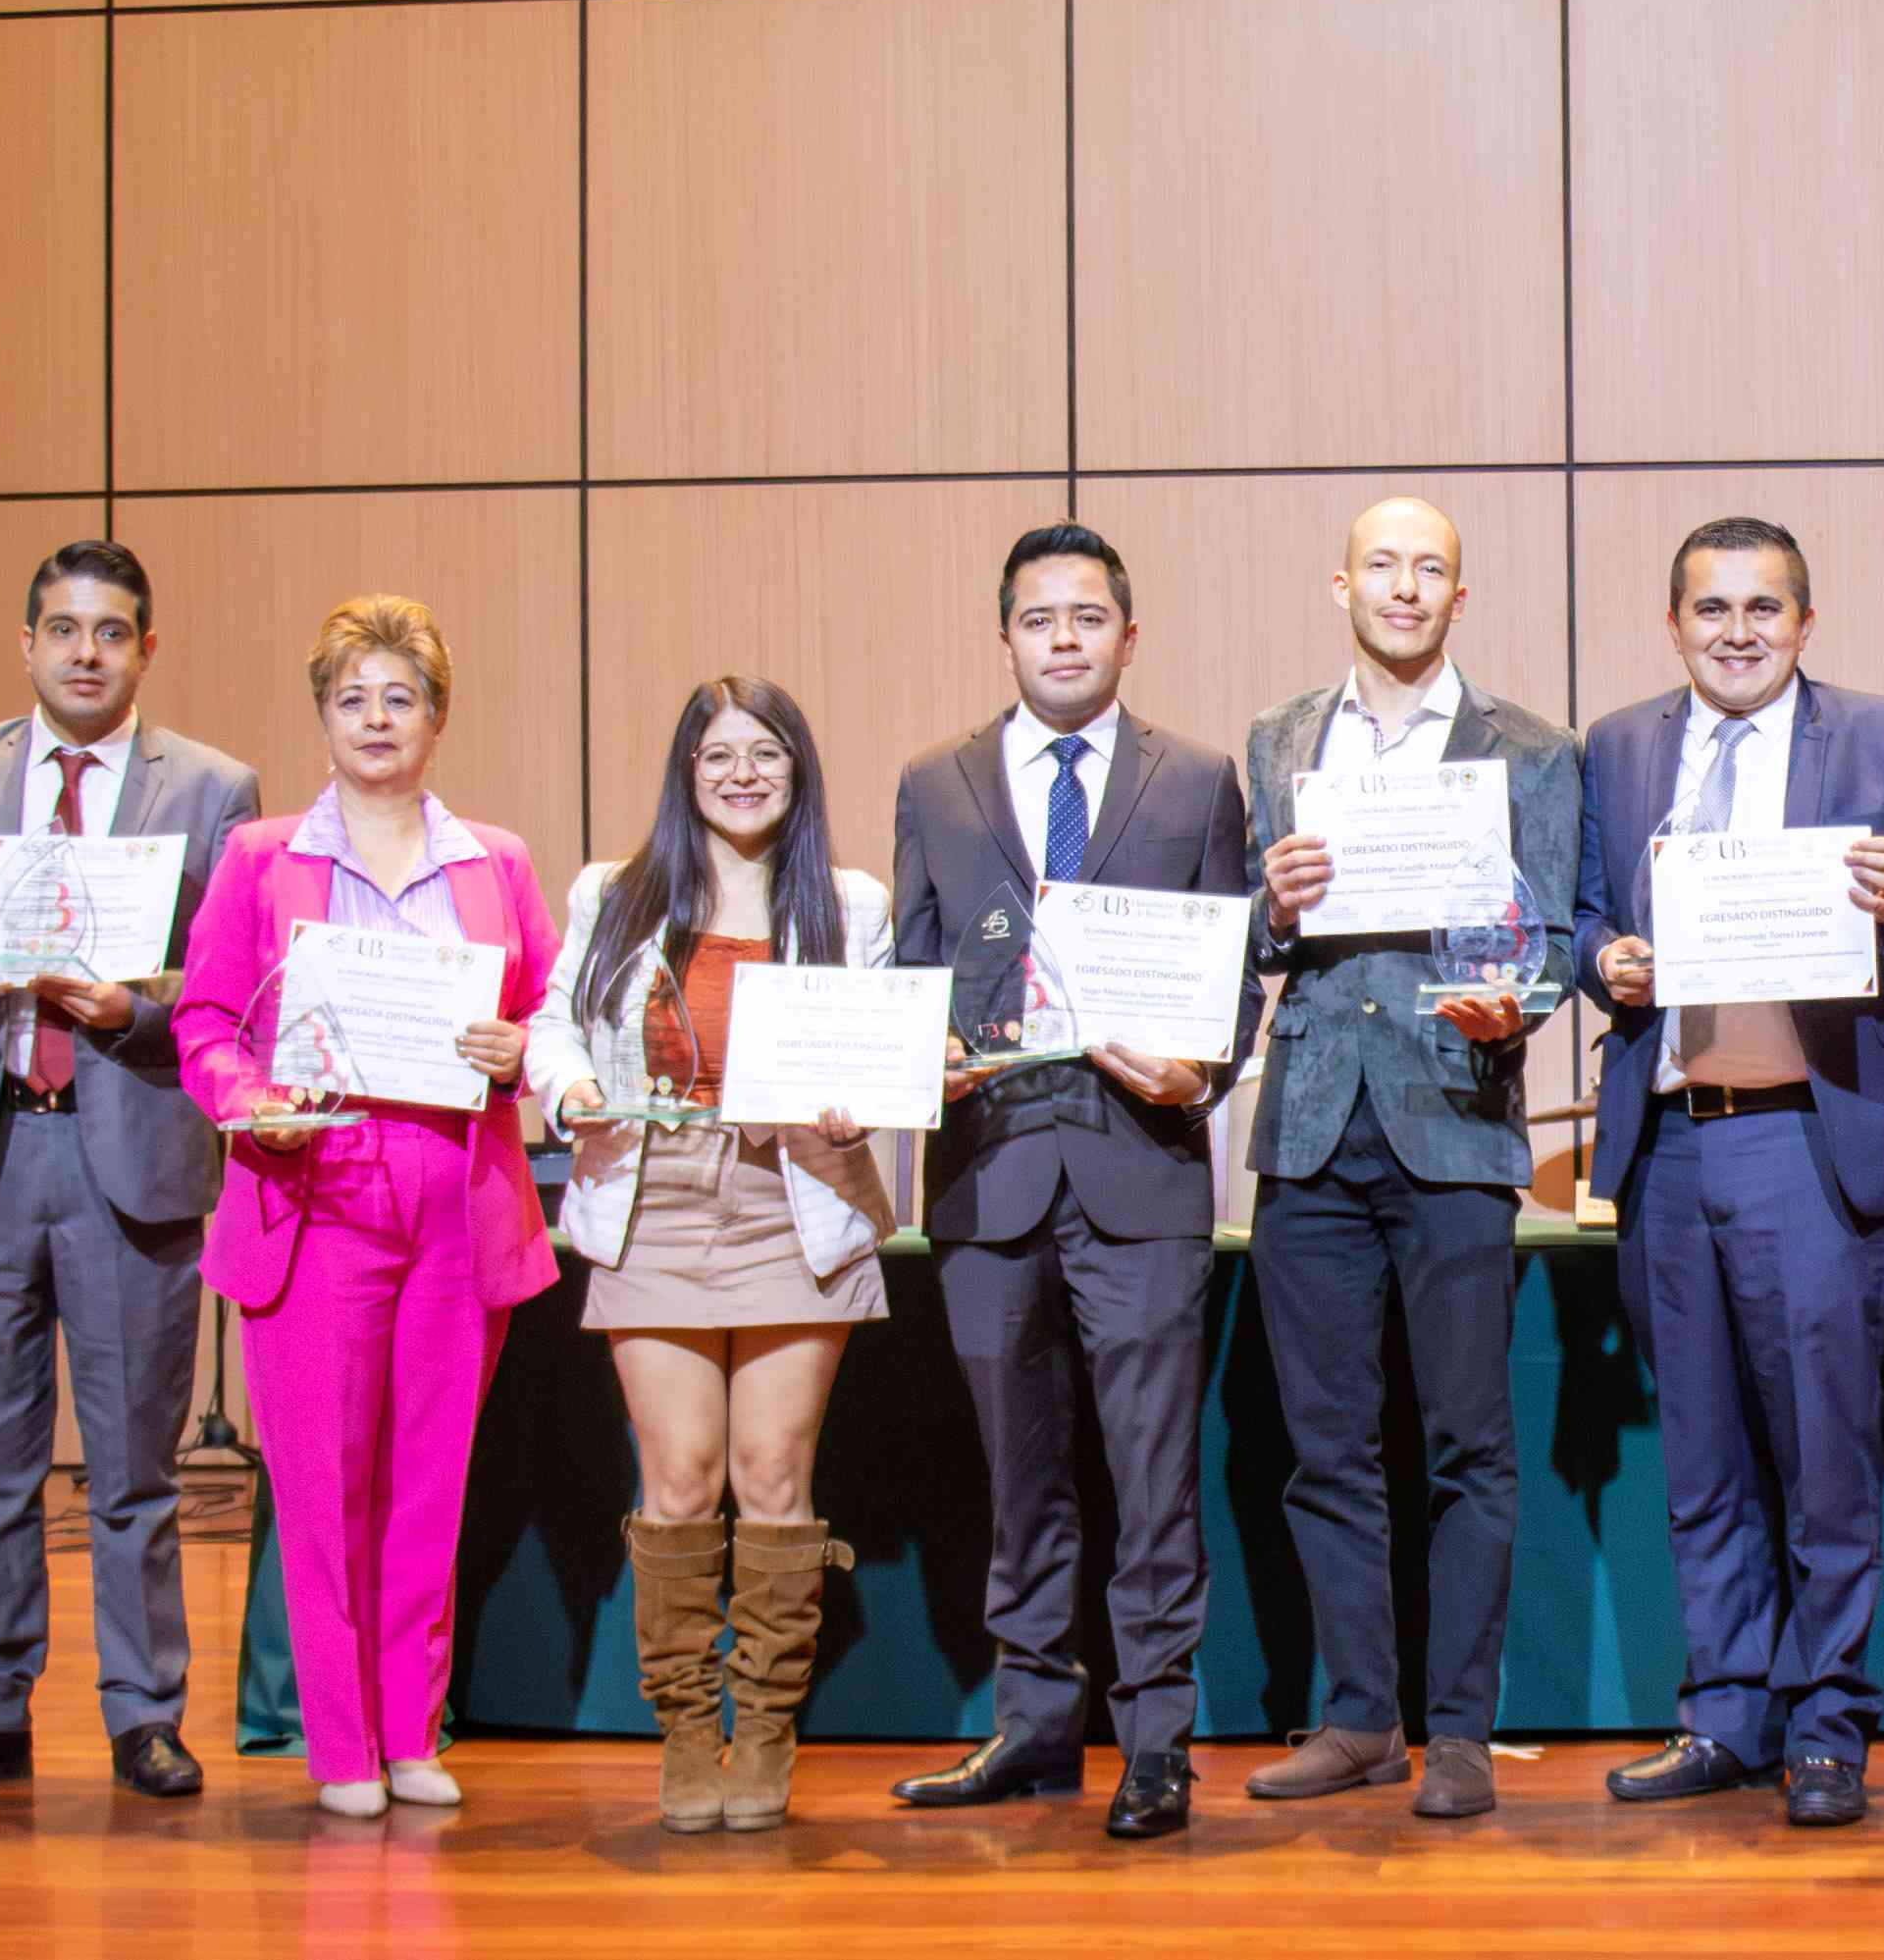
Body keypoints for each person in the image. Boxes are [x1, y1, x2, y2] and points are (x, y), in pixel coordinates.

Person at [1576, 515, 1884, 1832]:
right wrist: (1603, 962)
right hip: (1671, 1137)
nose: (1736, 631)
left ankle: (1826, 1723)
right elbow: (1582, 916)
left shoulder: (1883, 736)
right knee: (1701, 1455)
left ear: (1805, 622)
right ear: (1672, 623)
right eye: (1710, 608)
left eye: (1763, 608)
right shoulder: (1619, 745)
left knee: (1823, 1451)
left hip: (1808, 1130)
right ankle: (1725, 1713)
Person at [883, 526, 1262, 1840]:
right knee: (1019, 1473)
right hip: (986, 1174)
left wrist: (1199, 1074)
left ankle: (1156, 1743)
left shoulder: (1196, 778)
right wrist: (911, 1052)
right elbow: (909, 968)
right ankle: (1035, 1727)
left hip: (1138, 1172)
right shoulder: (932, 781)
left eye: (1087, 617)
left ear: (1127, 636)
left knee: (1154, 1477)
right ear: (1005, 637)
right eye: (1038, 618)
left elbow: (1232, 975)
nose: (1063, 638)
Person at [0, 539, 258, 1804]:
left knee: (136, 1467)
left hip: (127, 1154)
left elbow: (233, 984)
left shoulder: (213, 786)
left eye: (109, 633)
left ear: (147, 650)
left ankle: (143, 1715)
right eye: (62, 630)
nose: (84, 653)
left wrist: (133, 1009)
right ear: (26, 644)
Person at [173, 595, 561, 1820]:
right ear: (322, 717)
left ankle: (411, 1731)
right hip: (314, 1188)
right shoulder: (260, 857)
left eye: (400, 698)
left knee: (428, 1484)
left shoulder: (494, 861)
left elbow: (549, 1013)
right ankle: (340, 1744)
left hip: (456, 1190)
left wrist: (520, 1049)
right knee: (321, 1484)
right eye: (352, 699)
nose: (376, 719)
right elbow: (205, 1019)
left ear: (437, 717)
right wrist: (250, 1101)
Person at [1232, 500, 1580, 1821]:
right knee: (1324, 1446)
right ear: (1342, 586)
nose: (1404, 586)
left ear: (1458, 594)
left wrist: (1518, 1003)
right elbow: (1256, 943)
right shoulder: (1279, 738)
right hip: (1311, 1124)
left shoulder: (1528, 750)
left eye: (1429, 567)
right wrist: (1272, 909)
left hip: (1454, 1118)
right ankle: (1358, 1717)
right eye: (1381, 565)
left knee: (1466, 1444)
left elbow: (1551, 942)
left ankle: (1460, 1731)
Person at [528, 674, 894, 1833]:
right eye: (718, 755)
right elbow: (550, 1023)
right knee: (680, 1479)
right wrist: (568, 1087)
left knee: (773, 1475)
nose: (743, 774)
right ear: (686, 773)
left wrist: (859, 1109)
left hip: (796, 1198)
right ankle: (688, 1731)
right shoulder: (614, 892)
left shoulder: (850, 904)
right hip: (656, 1199)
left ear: (798, 770)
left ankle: (766, 1728)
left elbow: (878, 1054)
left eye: (765, 754)